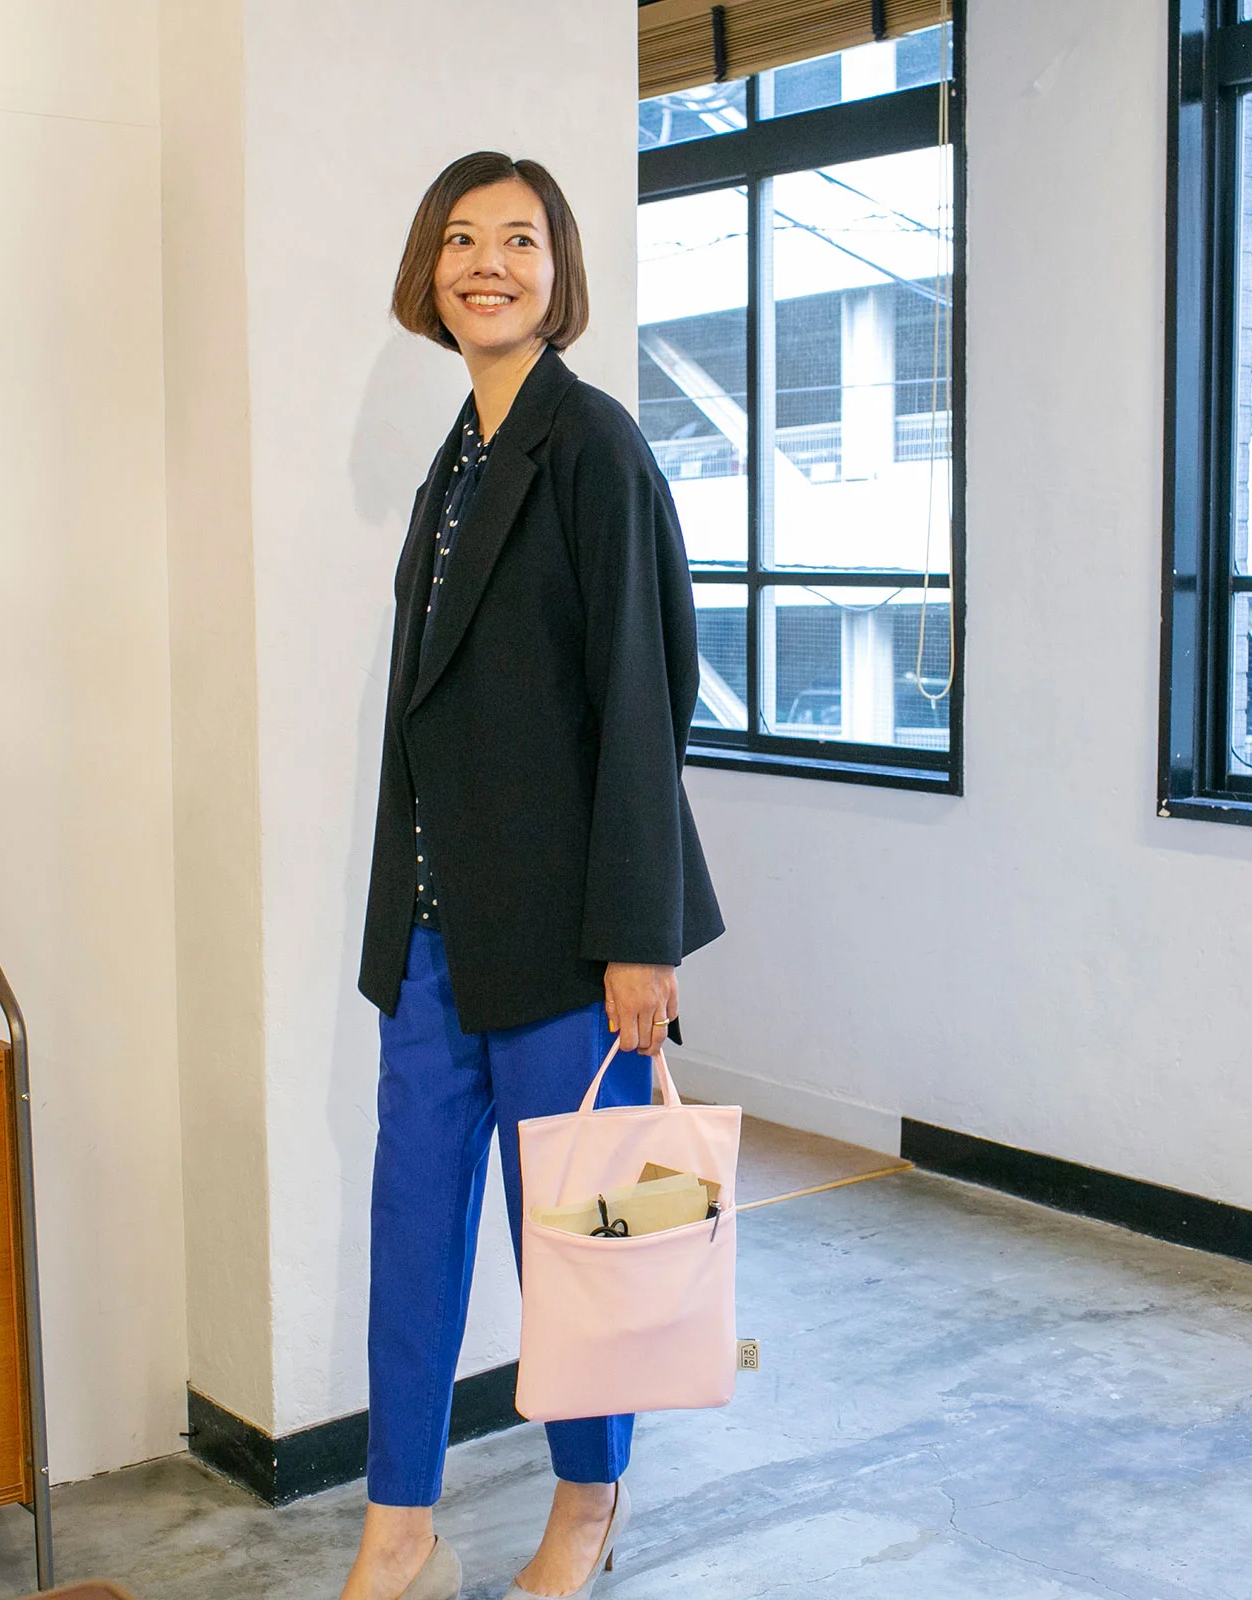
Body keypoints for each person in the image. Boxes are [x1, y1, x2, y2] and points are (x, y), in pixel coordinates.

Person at [346, 150, 723, 1600]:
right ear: (429, 273)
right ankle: (399, 1526)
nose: (485, 263)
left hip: (569, 940)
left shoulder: (595, 447)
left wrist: (642, 936)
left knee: (584, 1236)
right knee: (411, 1234)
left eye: (517, 238)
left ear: (558, 270)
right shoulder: (453, 465)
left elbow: (643, 698)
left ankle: (589, 1499)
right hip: (435, 932)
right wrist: (396, 926)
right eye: (460, 238)